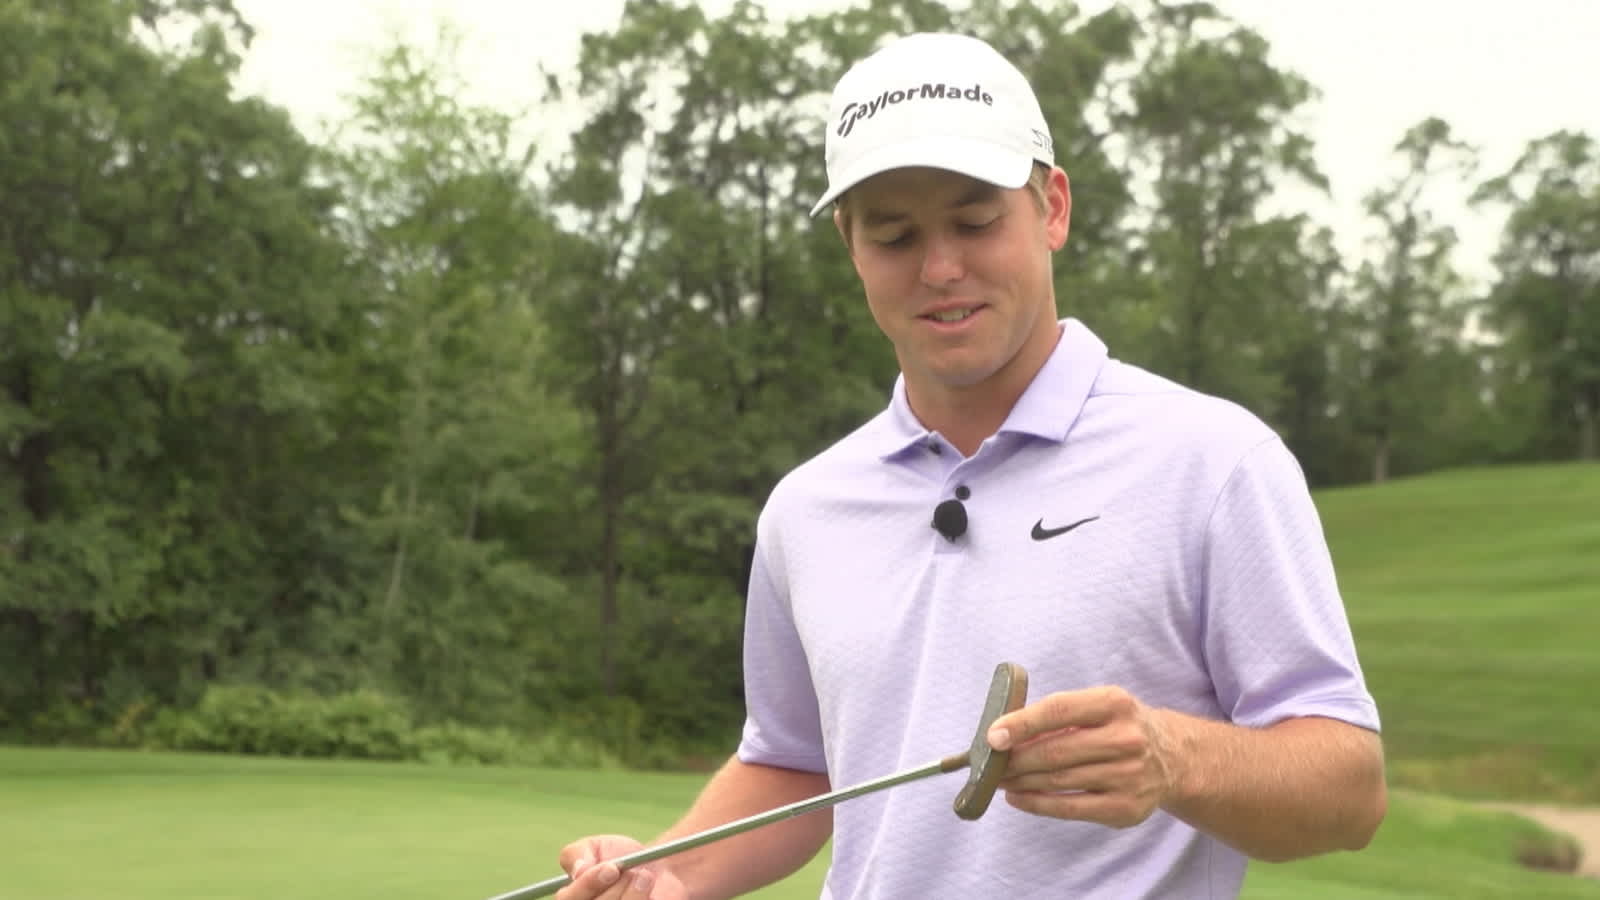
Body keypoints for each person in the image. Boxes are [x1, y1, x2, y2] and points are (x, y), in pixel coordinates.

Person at [554, 31, 1386, 900]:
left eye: (977, 221)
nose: (941, 269)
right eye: (895, 235)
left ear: (1053, 208)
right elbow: (796, 767)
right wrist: (666, 874)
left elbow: (1348, 790)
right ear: (851, 244)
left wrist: (1176, 759)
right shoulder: (807, 508)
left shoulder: (1212, 461)